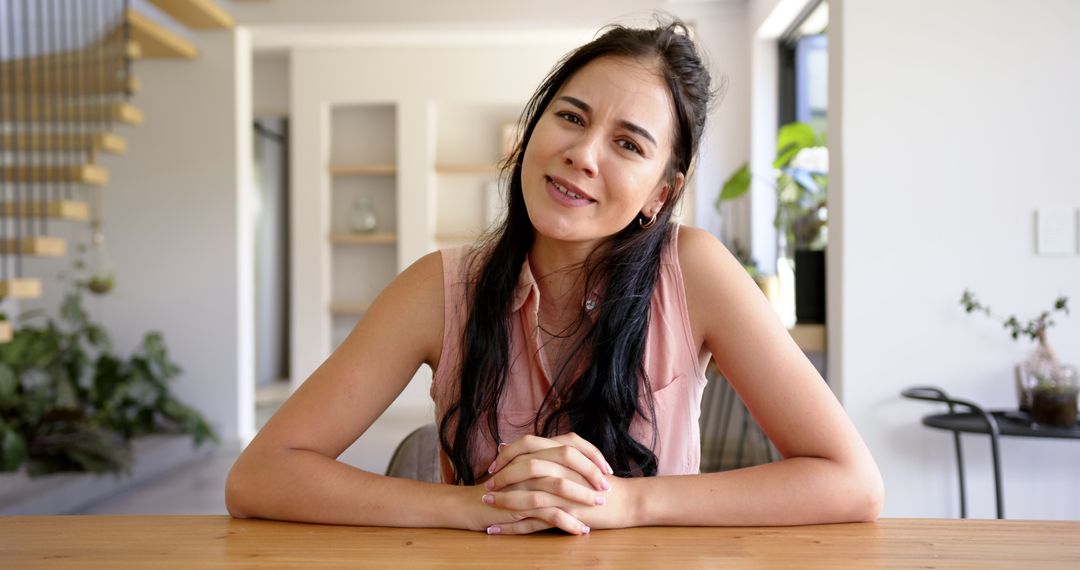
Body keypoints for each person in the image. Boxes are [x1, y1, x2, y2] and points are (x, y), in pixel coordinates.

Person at [226, 20, 883, 536]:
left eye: (628, 144)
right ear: (533, 128)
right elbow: (261, 477)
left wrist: (625, 504)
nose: (582, 153)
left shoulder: (696, 271)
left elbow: (851, 481)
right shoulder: (439, 288)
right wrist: (471, 506)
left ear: (662, 191)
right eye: (570, 116)